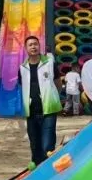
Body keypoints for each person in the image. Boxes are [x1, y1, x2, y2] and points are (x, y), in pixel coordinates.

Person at [20, 37, 61, 166]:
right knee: (35, 146)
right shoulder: (22, 68)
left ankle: (49, 171)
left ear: (39, 46)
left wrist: (53, 96)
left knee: (47, 146)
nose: (33, 47)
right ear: (26, 48)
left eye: (35, 44)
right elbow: (22, 86)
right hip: (31, 112)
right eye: (30, 45)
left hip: (49, 110)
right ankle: (37, 172)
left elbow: (58, 83)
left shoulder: (50, 63)